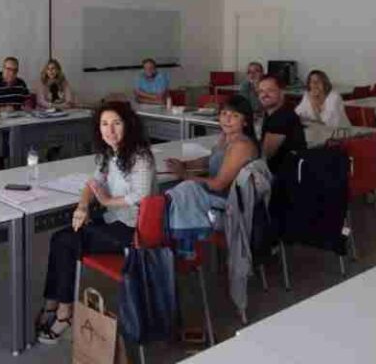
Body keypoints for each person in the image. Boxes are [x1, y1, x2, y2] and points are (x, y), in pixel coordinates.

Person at [36, 101, 155, 344]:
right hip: (114, 221)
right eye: (104, 124)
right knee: (61, 237)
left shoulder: (140, 156)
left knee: (67, 241)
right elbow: (92, 184)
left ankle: (63, 312)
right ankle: (53, 302)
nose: (110, 130)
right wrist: (82, 206)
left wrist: (107, 200)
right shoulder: (108, 154)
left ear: (128, 125)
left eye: (116, 123)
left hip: (133, 231)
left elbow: (140, 198)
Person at [165, 95, 260, 233]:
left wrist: (184, 174)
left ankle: (180, 242)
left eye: (234, 116)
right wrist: (185, 164)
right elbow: (212, 159)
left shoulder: (241, 145)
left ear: (245, 122)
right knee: (177, 194)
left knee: (177, 193)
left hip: (227, 206)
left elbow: (218, 185)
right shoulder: (226, 137)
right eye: (224, 114)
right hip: (217, 197)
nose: (227, 119)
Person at [258, 74, 306, 176]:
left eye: (270, 90)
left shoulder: (282, 117)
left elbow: (265, 155)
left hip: (282, 180)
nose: (264, 94)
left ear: (282, 92)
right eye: (261, 91)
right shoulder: (271, 113)